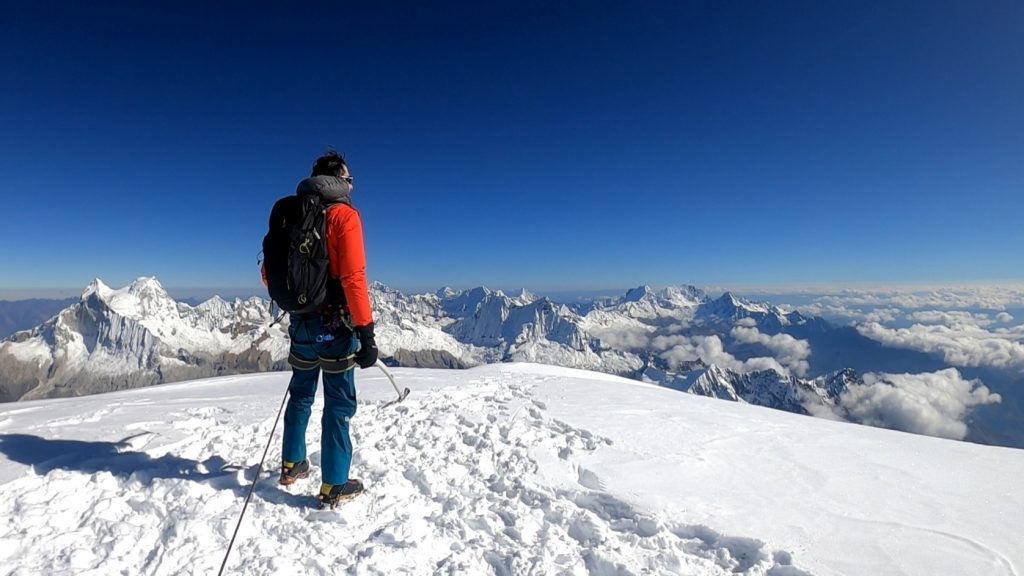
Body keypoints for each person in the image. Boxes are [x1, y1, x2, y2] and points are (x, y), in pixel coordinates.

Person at [276, 151, 379, 508]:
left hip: (299, 321)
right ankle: (334, 484)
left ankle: (292, 464)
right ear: (338, 180)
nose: (352, 185)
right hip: (334, 325)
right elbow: (353, 277)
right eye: (349, 179)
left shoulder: (292, 213)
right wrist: (365, 331)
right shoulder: (342, 216)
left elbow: (271, 273)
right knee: (338, 402)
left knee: (301, 393)